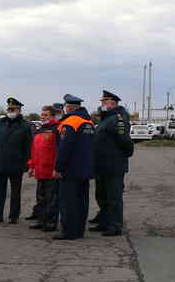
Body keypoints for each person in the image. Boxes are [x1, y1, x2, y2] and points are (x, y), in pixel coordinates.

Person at [91, 90, 134, 237]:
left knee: (113, 197)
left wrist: (120, 156)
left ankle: (115, 226)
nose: (101, 104)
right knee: (101, 195)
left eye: (104, 102)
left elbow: (125, 141)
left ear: (112, 103)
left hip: (113, 165)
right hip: (102, 164)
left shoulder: (118, 118)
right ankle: (104, 221)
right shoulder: (106, 118)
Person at [53, 94, 96, 240]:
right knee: (82, 202)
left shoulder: (71, 122)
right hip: (85, 169)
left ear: (69, 107)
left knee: (68, 202)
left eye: (66, 107)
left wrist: (58, 168)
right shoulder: (88, 122)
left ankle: (68, 231)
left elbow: (64, 148)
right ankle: (79, 230)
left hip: (70, 170)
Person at [0, 97, 32, 224]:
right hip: (0, 163)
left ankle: (14, 216)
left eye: (13, 109)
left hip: (16, 164)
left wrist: (27, 164)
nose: (10, 111)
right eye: (9, 109)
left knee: (15, 193)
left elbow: (28, 147)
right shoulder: (0, 123)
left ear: (19, 110)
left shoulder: (25, 126)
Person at [27, 106, 59, 232]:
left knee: (51, 199)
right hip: (40, 170)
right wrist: (31, 166)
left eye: (46, 115)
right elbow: (34, 150)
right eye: (42, 114)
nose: (43, 117)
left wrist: (57, 168)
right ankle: (41, 221)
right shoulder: (40, 130)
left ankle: (51, 222)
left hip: (51, 170)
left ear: (52, 116)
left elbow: (58, 151)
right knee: (41, 198)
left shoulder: (57, 129)